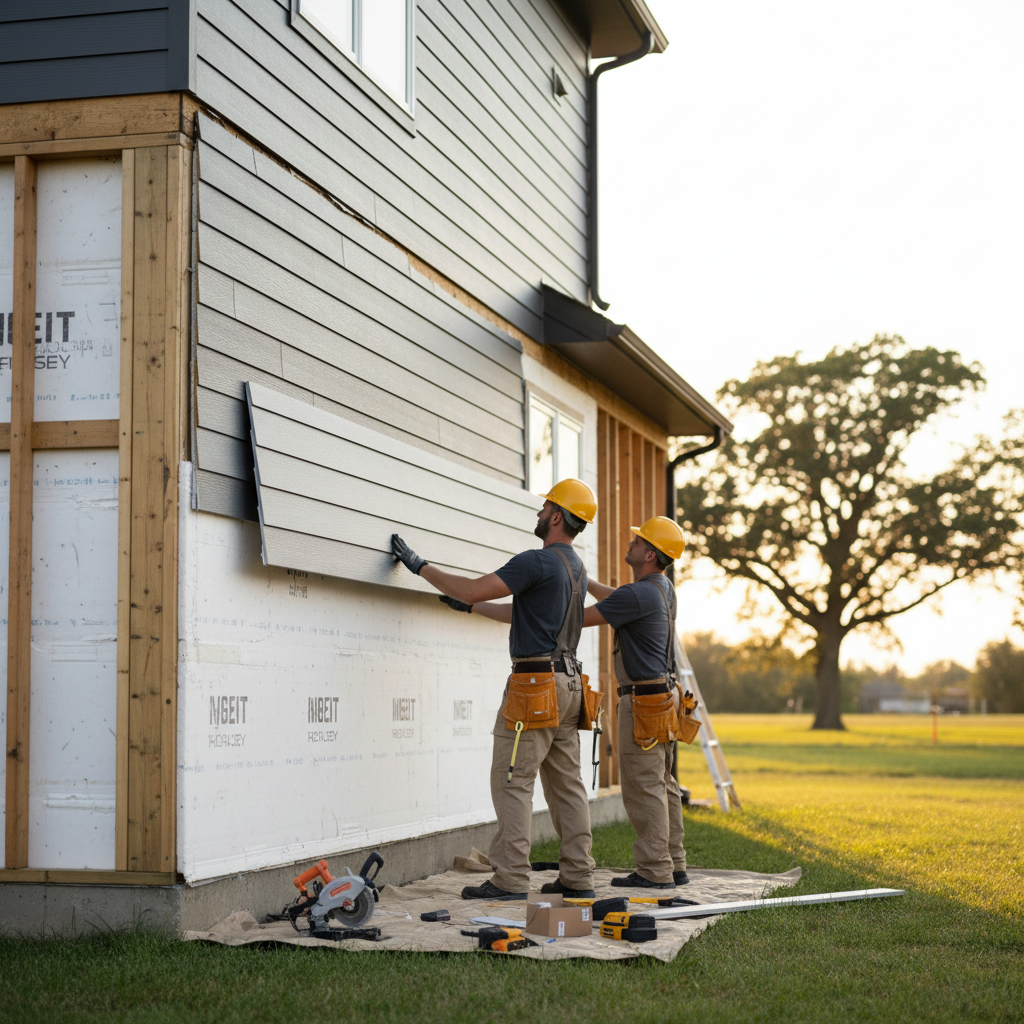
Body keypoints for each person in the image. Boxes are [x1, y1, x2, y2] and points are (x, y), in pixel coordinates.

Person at [390, 479, 599, 901]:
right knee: (567, 786)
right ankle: (578, 877)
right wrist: (472, 607)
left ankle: (510, 879)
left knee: (513, 781)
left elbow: (469, 587)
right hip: (570, 683)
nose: (539, 512)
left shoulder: (536, 562)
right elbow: (515, 612)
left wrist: (419, 566)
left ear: (557, 517)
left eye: (545, 507)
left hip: (534, 687)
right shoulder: (576, 568)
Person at [581, 516, 690, 889]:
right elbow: (618, 598)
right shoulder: (661, 588)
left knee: (644, 785)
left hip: (642, 702)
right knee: (662, 781)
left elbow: (580, 619)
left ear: (650, 555)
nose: (632, 543)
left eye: (639, 541)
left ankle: (654, 870)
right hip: (663, 698)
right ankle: (674, 863)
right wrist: (583, 581)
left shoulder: (639, 594)